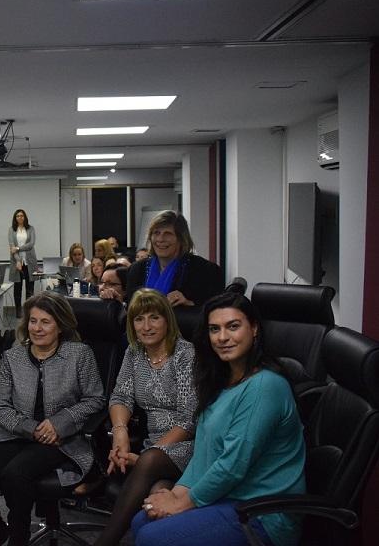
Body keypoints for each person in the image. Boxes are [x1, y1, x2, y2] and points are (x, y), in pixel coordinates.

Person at [132, 292, 305, 546]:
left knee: (151, 537)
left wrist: (179, 505)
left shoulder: (265, 386)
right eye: (215, 329)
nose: (223, 337)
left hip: (261, 513)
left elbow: (233, 465)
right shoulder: (220, 381)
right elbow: (203, 454)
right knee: (141, 521)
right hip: (227, 497)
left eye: (233, 326)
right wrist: (176, 494)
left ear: (254, 328)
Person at [0, 292, 106, 546]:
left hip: (62, 438)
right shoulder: (13, 356)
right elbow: (1, 405)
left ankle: (19, 538)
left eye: (45, 322)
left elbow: (95, 399)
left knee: (15, 474)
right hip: (18, 433)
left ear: (60, 326)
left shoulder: (79, 354)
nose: (37, 328)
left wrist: (59, 423)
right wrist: (31, 429)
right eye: (33, 321)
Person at [91, 289, 196, 546]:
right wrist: (120, 433)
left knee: (150, 465)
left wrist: (147, 456)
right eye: (139, 319)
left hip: (190, 444)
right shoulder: (134, 353)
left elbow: (189, 419)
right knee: (157, 494)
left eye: (154, 318)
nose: (146, 326)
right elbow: (120, 397)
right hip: (153, 448)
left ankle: (105, 542)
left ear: (167, 320)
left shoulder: (185, 353)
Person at [125, 211, 223, 307]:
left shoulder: (206, 271)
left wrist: (189, 303)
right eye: (156, 233)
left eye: (168, 233)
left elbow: (216, 310)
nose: (160, 239)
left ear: (181, 238)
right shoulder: (136, 269)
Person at [8, 209, 38, 312]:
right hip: (17, 262)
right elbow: (12, 247)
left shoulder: (31, 229)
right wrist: (17, 260)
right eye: (17, 216)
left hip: (30, 261)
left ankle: (28, 311)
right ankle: (18, 311)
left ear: (25, 217)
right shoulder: (11, 230)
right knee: (18, 288)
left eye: (21, 216)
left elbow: (31, 244)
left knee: (30, 288)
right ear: (15, 218)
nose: (20, 217)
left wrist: (18, 248)